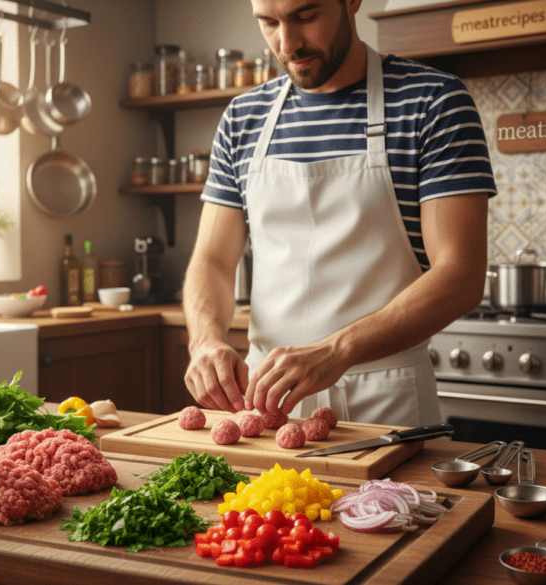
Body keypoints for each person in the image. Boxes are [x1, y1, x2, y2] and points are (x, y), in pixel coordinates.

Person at [182, 0, 497, 427]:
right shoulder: (242, 119)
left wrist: (336, 350)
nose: (287, 43)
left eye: (306, 16)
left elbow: (460, 275)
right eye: (269, 23)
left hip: (386, 405)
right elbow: (212, 260)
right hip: (266, 406)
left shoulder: (435, 102)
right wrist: (205, 341)